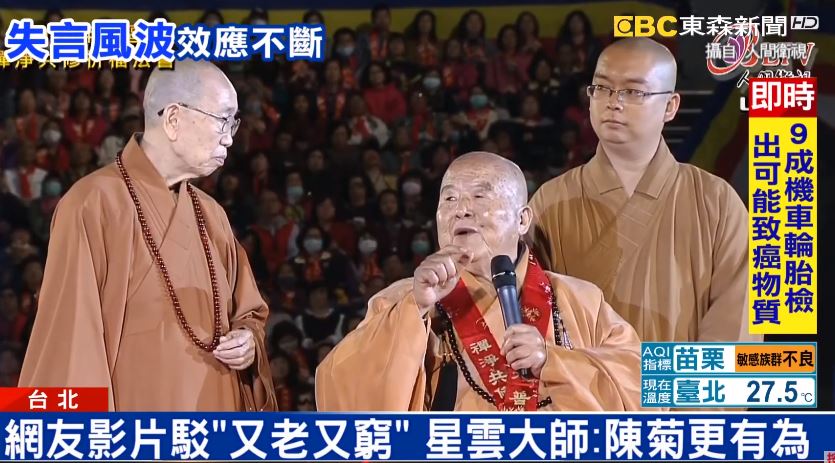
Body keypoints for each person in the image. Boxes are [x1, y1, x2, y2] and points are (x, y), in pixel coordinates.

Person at [19, 60, 278, 411]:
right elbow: (70, 338)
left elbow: (249, 312)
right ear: (173, 119)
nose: (230, 137)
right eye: (222, 119)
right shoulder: (91, 204)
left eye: (233, 122)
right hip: (136, 427)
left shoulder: (212, 214)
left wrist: (247, 341)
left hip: (216, 423)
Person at [316, 151, 641, 411]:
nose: (461, 210)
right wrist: (414, 314)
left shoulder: (578, 297)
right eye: (449, 199)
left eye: (480, 196)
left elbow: (648, 382)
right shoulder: (405, 299)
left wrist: (553, 360)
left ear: (522, 219)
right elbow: (335, 386)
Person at [529, 38, 757, 343]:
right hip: (581, 374)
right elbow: (530, 312)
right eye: (602, 88)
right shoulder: (551, 201)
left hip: (682, 374)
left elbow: (736, 320)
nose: (613, 102)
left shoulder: (715, 201)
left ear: (670, 106)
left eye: (633, 92)